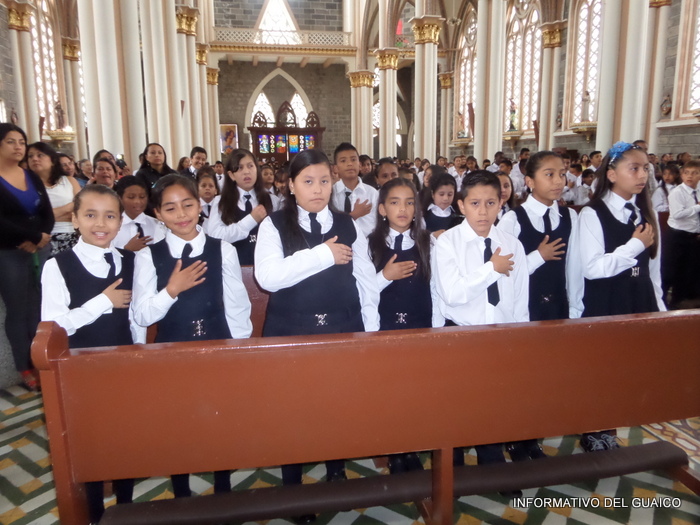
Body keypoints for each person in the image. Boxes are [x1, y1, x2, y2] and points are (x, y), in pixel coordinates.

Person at [254, 150, 379, 521]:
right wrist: (323, 254)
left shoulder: (348, 224)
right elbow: (268, 277)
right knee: (293, 410)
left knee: (337, 405)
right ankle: (294, 487)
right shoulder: (274, 225)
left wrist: (370, 329)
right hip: (291, 333)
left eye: (324, 180)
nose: (317, 189)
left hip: (343, 327)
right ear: (291, 186)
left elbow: (365, 279)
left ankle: (336, 471)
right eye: (308, 181)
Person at [133, 174, 252, 498]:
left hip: (217, 348)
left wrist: (239, 350)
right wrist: (171, 290)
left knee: (219, 421)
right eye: (170, 208)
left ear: (199, 205)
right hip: (172, 355)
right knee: (178, 424)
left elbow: (237, 306)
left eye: (187, 204)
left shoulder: (222, 250)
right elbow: (141, 315)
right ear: (158, 213)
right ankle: (181, 491)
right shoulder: (148, 256)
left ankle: (223, 487)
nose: (182, 214)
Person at [40, 184, 140, 522]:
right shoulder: (58, 266)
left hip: (124, 367)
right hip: (82, 372)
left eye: (110, 216)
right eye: (91, 215)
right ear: (75, 219)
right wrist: (102, 302)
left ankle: (126, 509)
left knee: (125, 442)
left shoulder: (131, 260)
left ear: (120, 221)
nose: (101, 223)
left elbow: (137, 318)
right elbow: (54, 327)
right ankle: (96, 513)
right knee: (92, 446)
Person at [433, 170, 528, 495]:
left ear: (501, 203)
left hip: (500, 335)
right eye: (475, 203)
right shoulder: (448, 242)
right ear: (461, 205)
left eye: (490, 203)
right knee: (457, 405)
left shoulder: (512, 243)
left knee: (494, 403)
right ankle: (454, 467)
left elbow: (520, 298)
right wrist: (491, 269)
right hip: (460, 336)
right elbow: (453, 294)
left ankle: (493, 461)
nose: (483, 211)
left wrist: (519, 338)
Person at [567, 142, 664, 452]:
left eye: (645, 168)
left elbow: (653, 269)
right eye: (633, 169)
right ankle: (593, 428)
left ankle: (611, 424)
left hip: (638, 300)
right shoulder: (593, 214)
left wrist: (660, 309)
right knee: (600, 370)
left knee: (626, 370)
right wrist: (633, 246)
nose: (642, 175)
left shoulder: (644, 212)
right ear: (611, 174)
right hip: (606, 302)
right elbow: (592, 268)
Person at [367, 177, 439, 474]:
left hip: (420, 327)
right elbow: (362, 293)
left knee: (415, 391)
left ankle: (411, 446)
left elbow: (436, 289)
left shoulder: (428, 242)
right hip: (384, 329)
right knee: (388, 391)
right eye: (395, 202)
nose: (403, 209)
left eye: (410, 203)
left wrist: (436, 329)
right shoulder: (370, 244)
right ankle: (393, 449)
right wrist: (385, 276)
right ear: (382, 209)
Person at [0, 124, 54, 391]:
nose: (19, 147)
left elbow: (47, 212)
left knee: (39, 307)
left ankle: (40, 360)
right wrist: (31, 236)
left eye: (21, 141)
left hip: (39, 247)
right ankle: (24, 366)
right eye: (11, 141)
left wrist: (42, 236)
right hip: (9, 251)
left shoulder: (30, 176)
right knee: (18, 310)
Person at [205, 148, 276, 265]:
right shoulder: (220, 202)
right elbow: (215, 236)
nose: (246, 172)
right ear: (231, 175)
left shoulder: (273, 200)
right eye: (240, 168)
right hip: (233, 267)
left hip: (266, 266)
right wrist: (251, 220)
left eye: (250, 166)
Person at [27, 142, 81, 255]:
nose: (34, 159)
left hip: (71, 234)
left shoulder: (69, 181)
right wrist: (68, 208)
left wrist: (47, 216)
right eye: (30, 156)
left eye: (40, 155)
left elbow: (80, 208)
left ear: (52, 160)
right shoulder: (26, 185)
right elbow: (31, 218)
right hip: (43, 239)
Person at [663, 160, 700, 308]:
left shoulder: (698, 190)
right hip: (677, 236)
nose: (690, 176)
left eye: (695, 173)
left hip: (693, 237)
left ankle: (678, 301)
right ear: (682, 175)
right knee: (670, 270)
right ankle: (662, 302)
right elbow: (677, 214)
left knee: (687, 271)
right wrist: (697, 208)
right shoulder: (677, 192)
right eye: (687, 173)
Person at [331, 142, 379, 238]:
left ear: (359, 165)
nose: (349, 164)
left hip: (368, 244)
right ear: (336, 168)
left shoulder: (372, 193)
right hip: (338, 243)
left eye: (353, 159)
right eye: (343, 161)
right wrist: (354, 215)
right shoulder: (331, 193)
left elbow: (377, 224)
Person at [113, 176, 166, 251]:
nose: (138, 201)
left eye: (142, 197)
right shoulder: (113, 226)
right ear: (120, 198)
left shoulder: (157, 224)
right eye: (131, 197)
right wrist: (126, 250)